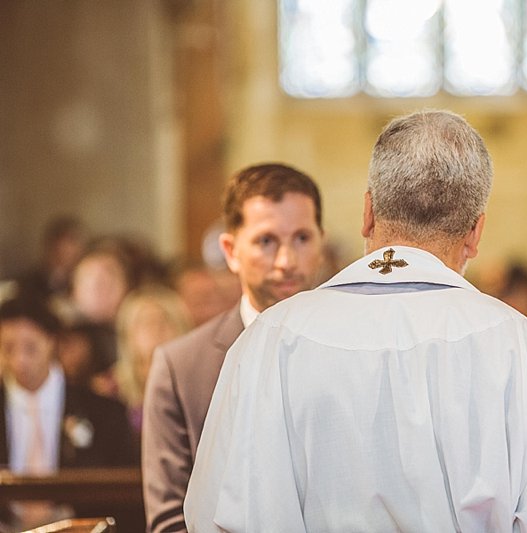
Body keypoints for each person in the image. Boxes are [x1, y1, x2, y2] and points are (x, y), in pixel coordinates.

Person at [184, 110, 527, 532]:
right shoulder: (517, 345)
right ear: (475, 233)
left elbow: (214, 511)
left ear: (368, 212)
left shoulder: (272, 338)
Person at [141, 163, 326, 533]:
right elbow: (169, 518)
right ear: (230, 250)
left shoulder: (354, 348)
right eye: (266, 241)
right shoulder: (181, 366)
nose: (286, 261)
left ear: (321, 241)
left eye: (302, 238)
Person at [0, 294, 135, 530]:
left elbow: (121, 492)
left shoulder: (103, 412)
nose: (19, 361)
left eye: (30, 348)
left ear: (51, 341)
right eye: (8, 348)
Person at [114, 285, 192, 442]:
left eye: (165, 320)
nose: (156, 329)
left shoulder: (199, 385)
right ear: (127, 333)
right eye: (145, 322)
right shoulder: (109, 389)